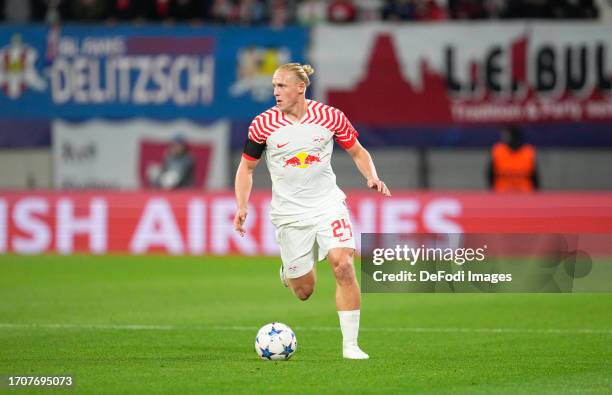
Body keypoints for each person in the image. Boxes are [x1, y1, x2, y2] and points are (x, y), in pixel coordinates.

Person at [234, 63, 391, 360]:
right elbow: (247, 168)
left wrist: (371, 175)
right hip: (289, 215)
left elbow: (357, 151)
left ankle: (351, 346)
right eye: (274, 86)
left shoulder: (330, 117)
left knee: (343, 264)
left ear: (300, 88)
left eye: (281, 86)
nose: (275, 92)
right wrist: (242, 205)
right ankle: (290, 273)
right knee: (304, 291)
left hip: (328, 205)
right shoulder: (262, 124)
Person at [487, 125, 539, 192]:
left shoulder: (528, 151)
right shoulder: (498, 150)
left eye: (506, 135)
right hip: (501, 193)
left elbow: (535, 177)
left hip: (525, 194)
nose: (503, 137)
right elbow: (490, 175)